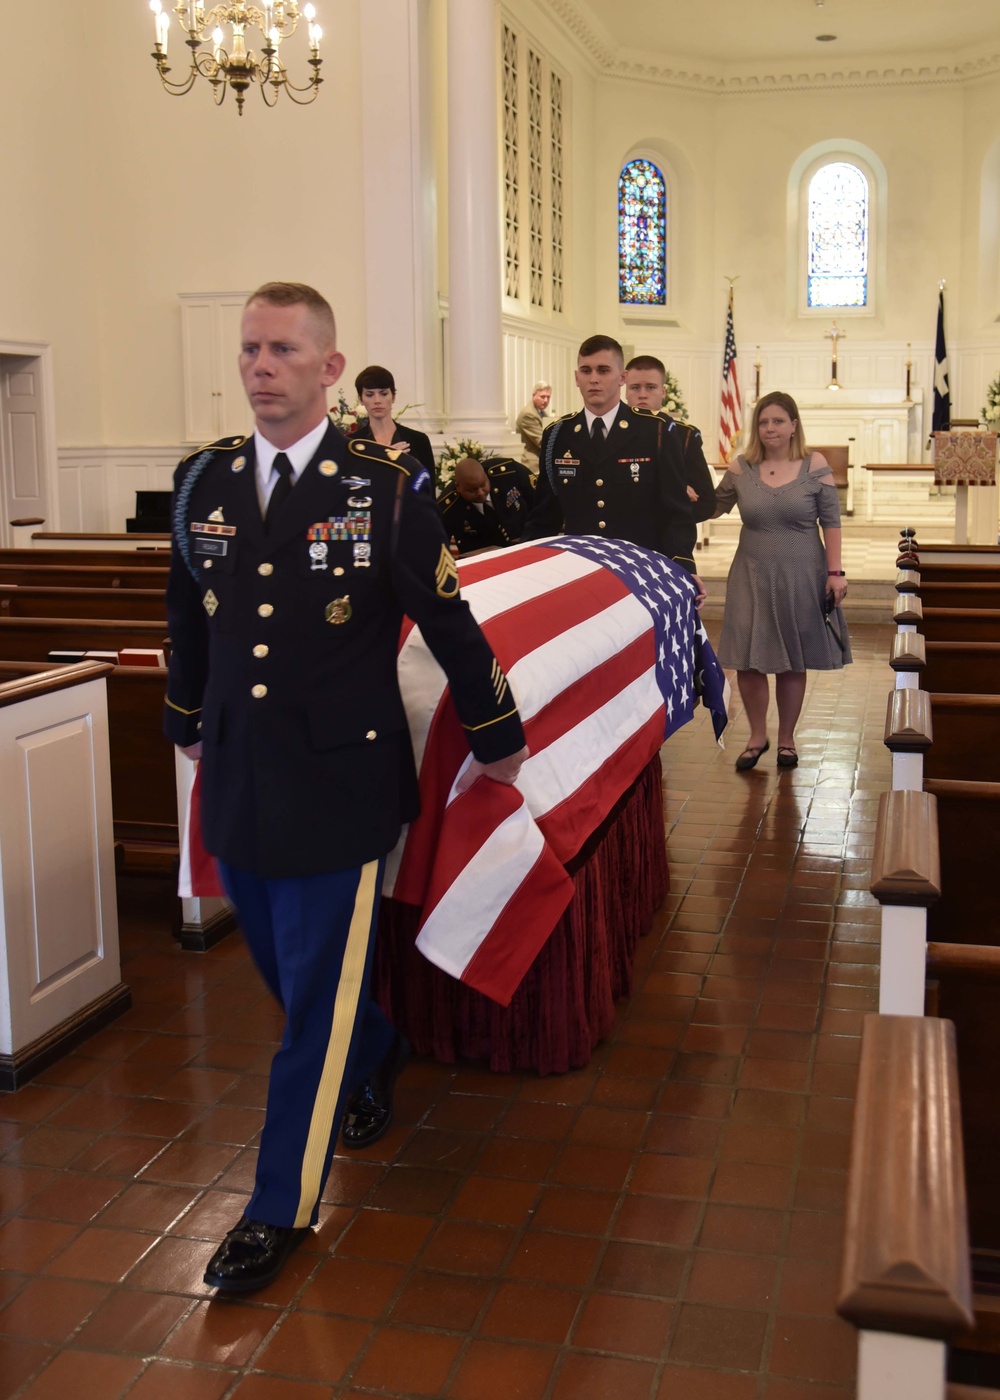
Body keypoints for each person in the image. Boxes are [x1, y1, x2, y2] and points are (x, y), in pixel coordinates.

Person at [163, 282, 527, 1293]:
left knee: (309, 1007)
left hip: (339, 782)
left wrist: (496, 729)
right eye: (248, 348)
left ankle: (277, 1202)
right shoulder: (204, 482)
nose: (260, 366)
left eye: (282, 349)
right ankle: (378, 1044)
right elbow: (188, 619)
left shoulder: (385, 487)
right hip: (239, 773)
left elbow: (449, 620)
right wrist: (185, 722)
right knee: (284, 972)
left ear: (330, 368)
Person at [712, 390, 851, 772]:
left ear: (793, 425)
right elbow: (713, 505)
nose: (770, 428)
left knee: (793, 659)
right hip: (751, 574)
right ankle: (758, 736)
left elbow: (831, 522)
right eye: (763, 421)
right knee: (747, 659)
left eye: (777, 421)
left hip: (802, 571)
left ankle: (787, 738)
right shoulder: (742, 467)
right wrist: (680, 492)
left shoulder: (814, 464)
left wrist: (835, 572)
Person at [523, 335, 711, 586]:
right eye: (586, 370)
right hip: (580, 569)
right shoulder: (559, 434)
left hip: (641, 569)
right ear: (576, 377)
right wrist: (523, 563)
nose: (594, 379)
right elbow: (546, 514)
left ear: (622, 378)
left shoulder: (654, 430)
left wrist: (683, 565)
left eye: (603, 370)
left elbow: (675, 511)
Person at [624, 355, 716, 521]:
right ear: (625, 391)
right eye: (635, 387)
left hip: (667, 540)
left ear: (663, 392)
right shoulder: (610, 433)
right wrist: (675, 490)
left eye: (651, 387)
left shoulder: (684, 437)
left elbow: (706, 504)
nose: (642, 395)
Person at [438, 455, 536, 555]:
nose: (480, 493)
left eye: (483, 485)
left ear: (486, 476)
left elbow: (540, 502)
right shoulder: (447, 506)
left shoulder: (510, 472)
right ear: (458, 487)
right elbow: (438, 548)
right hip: (483, 561)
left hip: (525, 546)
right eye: (472, 490)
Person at [352, 363, 436, 476]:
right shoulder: (352, 443)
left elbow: (427, 489)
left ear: (393, 397)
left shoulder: (418, 441)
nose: (377, 400)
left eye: (383, 393)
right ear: (361, 400)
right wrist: (385, 461)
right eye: (369, 394)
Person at [515, 380, 552, 477]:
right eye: (542, 397)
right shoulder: (528, 414)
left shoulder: (541, 412)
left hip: (540, 461)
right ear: (533, 395)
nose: (546, 400)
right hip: (532, 464)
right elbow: (542, 441)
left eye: (548, 397)